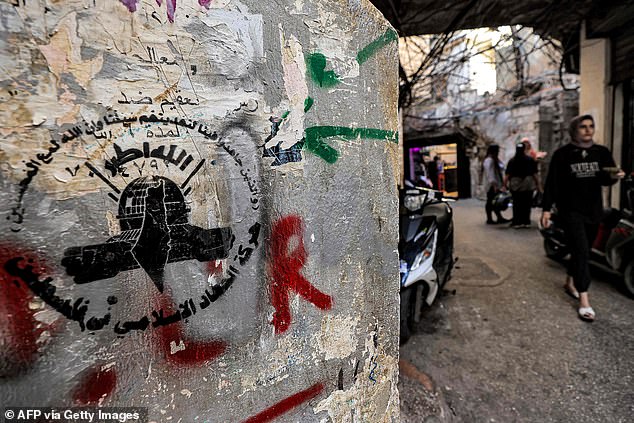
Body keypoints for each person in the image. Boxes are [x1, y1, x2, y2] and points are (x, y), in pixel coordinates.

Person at [541, 114, 625, 322]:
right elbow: (552, 183)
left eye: (591, 126)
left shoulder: (602, 153)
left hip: (594, 211)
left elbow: (606, 180)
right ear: (574, 130)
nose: (588, 130)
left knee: (583, 250)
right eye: (582, 127)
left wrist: (615, 177)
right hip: (570, 211)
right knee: (580, 251)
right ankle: (585, 301)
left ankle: (570, 281)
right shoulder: (563, 154)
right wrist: (546, 209)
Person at [504, 143, 542, 228]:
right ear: (524, 149)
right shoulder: (530, 160)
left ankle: (517, 221)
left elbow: (507, 174)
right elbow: (535, 174)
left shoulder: (512, 161)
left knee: (517, 203)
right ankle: (526, 221)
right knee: (527, 203)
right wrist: (538, 185)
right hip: (527, 184)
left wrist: (504, 185)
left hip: (516, 184)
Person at [482, 144, 510, 224]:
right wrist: (494, 185)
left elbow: (502, 167)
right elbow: (490, 174)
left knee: (495, 201)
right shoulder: (489, 161)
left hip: (496, 184)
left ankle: (499, 217)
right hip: (492, 185)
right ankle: (489, 219)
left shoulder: (494, 160)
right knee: (490, 201)